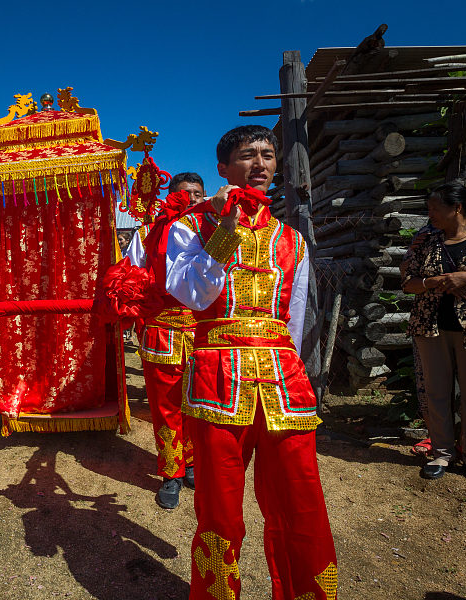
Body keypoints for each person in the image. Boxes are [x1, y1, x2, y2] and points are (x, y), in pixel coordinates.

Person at [165, 126, 337, 599]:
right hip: (218, 383)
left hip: (284, 384)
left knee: (301, 505)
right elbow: (190, 294)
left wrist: (294, 370)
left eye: (267, 155)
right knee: (220, 512)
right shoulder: (188, 226)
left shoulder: (293, 241)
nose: (259, 164)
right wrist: (225, 229)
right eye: (246, 155)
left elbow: (295, 322)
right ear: (223, 168)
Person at [402, 181, 466, 490]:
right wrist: (431, 282)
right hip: (431, 327)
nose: (430, 214)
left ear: (457, 208)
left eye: (435, 208)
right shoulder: (428, 241)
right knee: (437, 392)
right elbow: (408, 282)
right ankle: (441, 454)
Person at [124, 172, 206, 509]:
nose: (191, 199)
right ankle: (170, 472)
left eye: (198, 194)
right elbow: (129, 278)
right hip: (162, 331)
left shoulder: (219, 231)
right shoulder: (146, 233)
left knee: (200, 407)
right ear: (169, 197)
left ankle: (192, 463)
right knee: (167, 407)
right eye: (184, 193)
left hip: (207, 334)